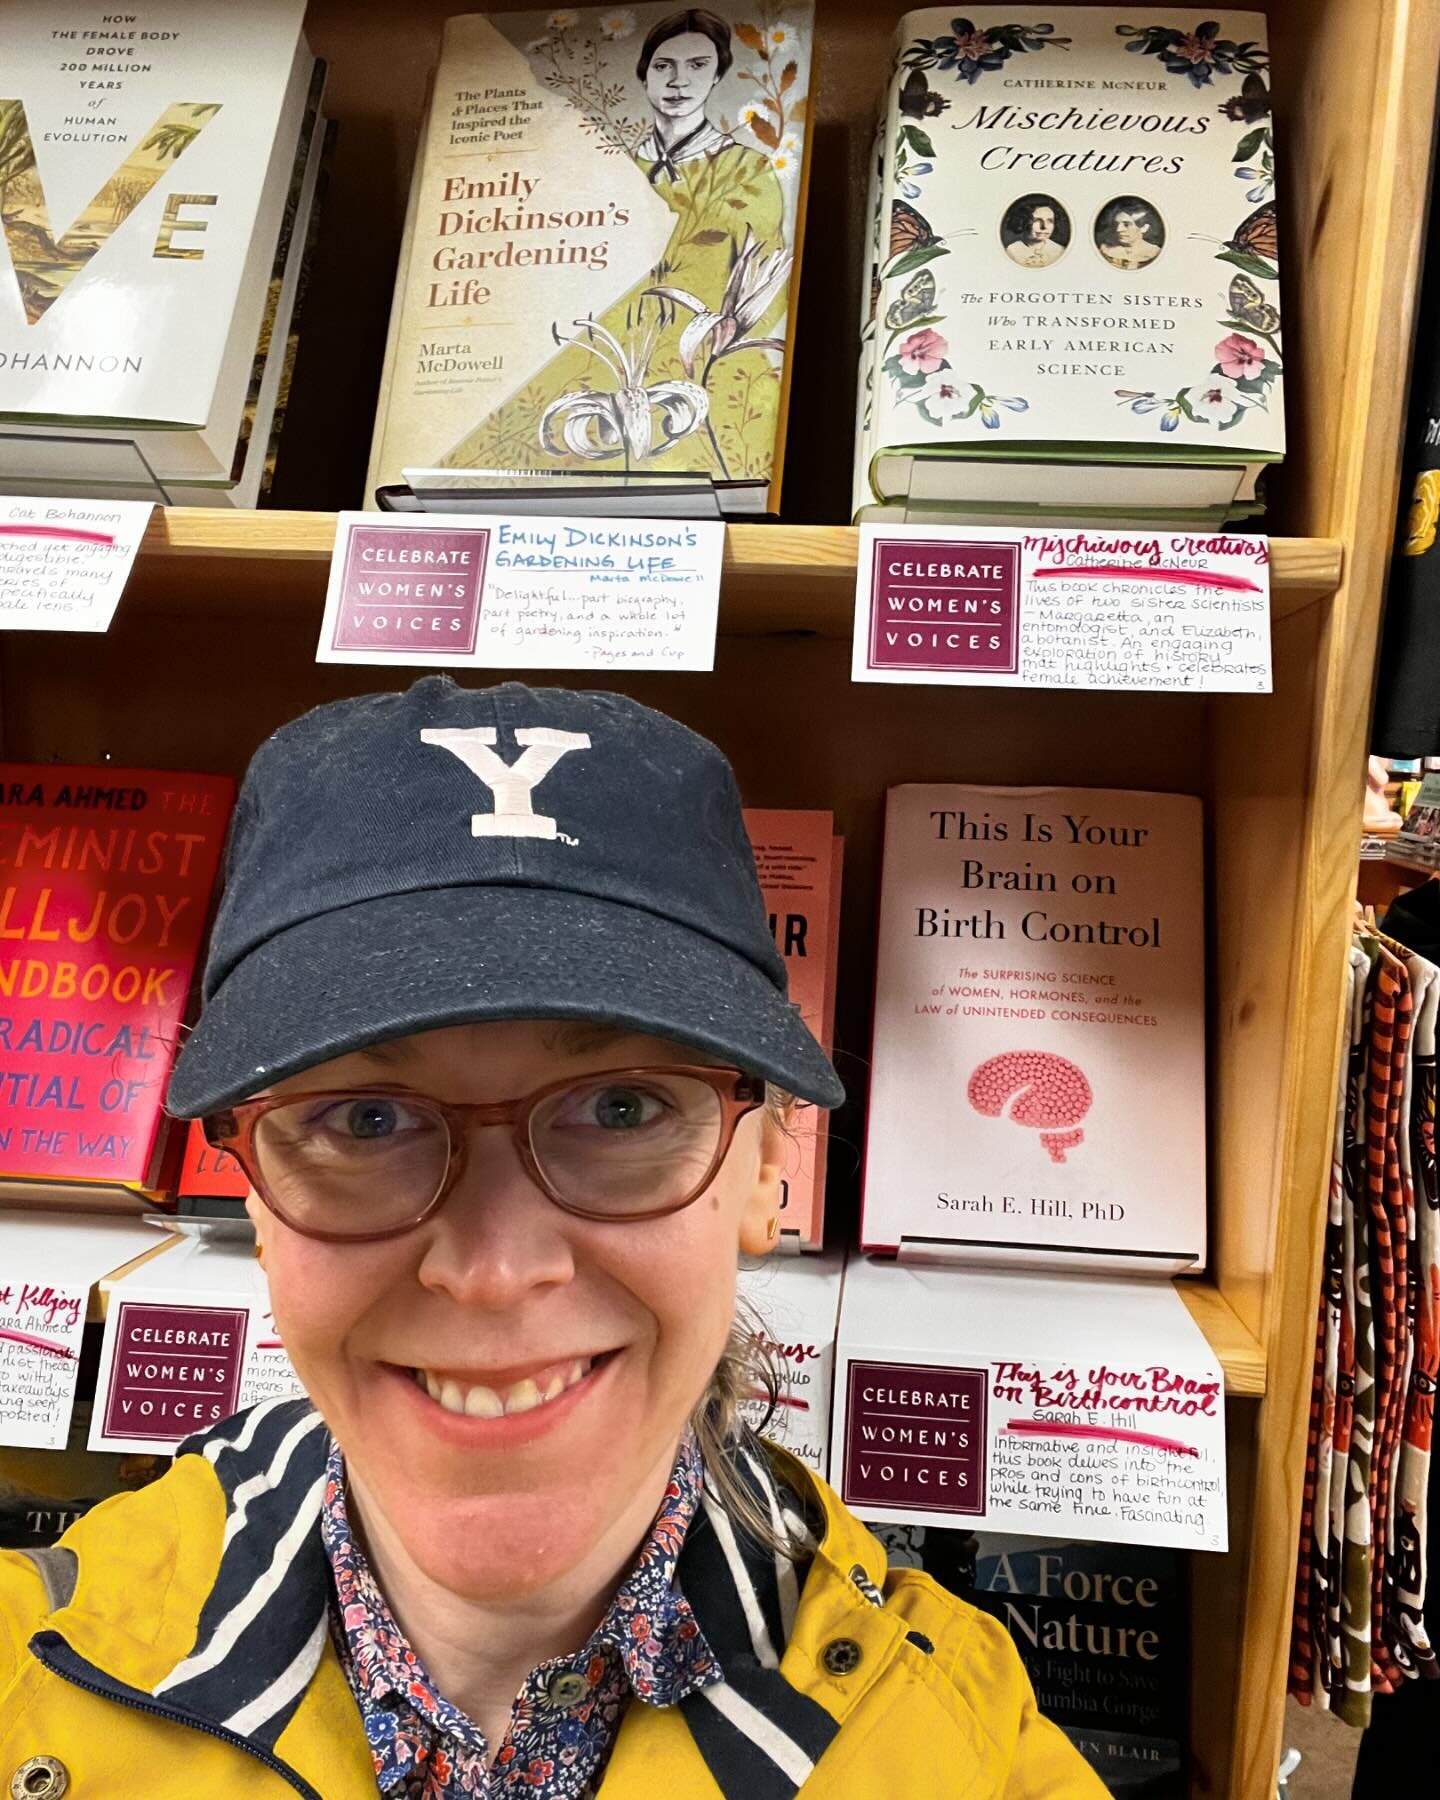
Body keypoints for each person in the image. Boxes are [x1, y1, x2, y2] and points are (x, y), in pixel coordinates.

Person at [0, 678, 1107, 1799]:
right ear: (251, 1188)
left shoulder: (966, 1750)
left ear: (772, 1167)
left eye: (621, 1108)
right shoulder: (21, 1667)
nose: (491, 1272)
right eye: (364, 1120)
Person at [443, 9, 791, 485]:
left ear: (716, 78)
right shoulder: (608, 168)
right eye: (664, 65)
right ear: (644, 72)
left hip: (698, 367)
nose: (678, 80)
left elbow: (749, 284)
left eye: (697, 66)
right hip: (595, 354)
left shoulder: (746, 171)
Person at [1097, 199, 1163, 270]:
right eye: (1116, 224)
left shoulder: (1155, 252)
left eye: (1126, 224)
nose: (1118, 229)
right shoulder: (1106, 250)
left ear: (1144, 228)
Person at [1003, 197, 1067, 268]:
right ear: (1023, 222)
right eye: (1037, 220)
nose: (1044, 227)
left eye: (1050, 221)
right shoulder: (1011, 251)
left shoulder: (1059, 251)